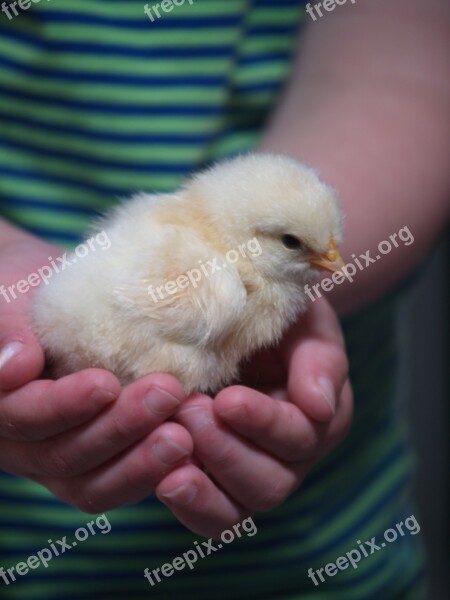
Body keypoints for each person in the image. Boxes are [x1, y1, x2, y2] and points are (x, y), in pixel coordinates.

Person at [0, 0, 448, 598]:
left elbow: (411, 59)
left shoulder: (206, 231)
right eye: (297, 244)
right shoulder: (212, 278)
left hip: (323, 556)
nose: (328, 262)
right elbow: (93, 313)